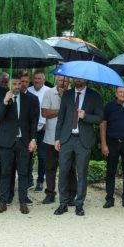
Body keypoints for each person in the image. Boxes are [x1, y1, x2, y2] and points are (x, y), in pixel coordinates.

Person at [54, 78, 104, 216]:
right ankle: (63, 203)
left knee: (81, 173)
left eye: (81, 78)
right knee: (63, 171)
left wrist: (85, 116)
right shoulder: (67, 94)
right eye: (76, 77)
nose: (78, 80)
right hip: (66, 139)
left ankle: (79, 204)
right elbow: (61, 118)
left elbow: (100, 118)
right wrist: (57, 138)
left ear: (86, 80)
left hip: (84, 141)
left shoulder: (95, 96)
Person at [0, 71, 38, 214]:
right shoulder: (2, 97)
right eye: (14, 83)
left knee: (24, 172)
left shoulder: (30, 100)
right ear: (8, 84)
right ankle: (3, 201)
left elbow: (33, 122)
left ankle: (23, 201)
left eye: (19, 83)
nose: (17, 86)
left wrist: (33, 139)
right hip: (6, 142)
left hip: (24, 142)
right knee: (5, 172)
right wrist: (6, 101)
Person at [41, 75, 76, 205]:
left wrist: (65, 99)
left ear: (69, 82)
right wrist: (61, 110)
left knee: (70, 168)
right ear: (56, 80)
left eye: (66, 81)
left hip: (68, 138)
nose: (63, 83)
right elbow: (44, 113)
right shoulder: (49, 93)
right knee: (50, 167)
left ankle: (71, 195)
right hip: (50, 137)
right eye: (61, 80)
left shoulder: (73, 95)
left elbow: (74, 114)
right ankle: (50, 194)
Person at [100, 86, 124, 209]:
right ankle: (109, 199)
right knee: (110, 172)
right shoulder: (109, 106)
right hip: (112, 143)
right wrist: (104, 144)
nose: (122, 94)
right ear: (116, 93)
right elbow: (103, 125)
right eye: (120, 92)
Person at [27, 70, 49, 192]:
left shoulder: (48, 91)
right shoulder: (28, 91)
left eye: (39, 78)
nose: (37, 80)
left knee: (42, 156)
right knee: (28, 155)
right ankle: (29, 179)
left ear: (44, 80)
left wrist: (46, 123)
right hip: (30, 129)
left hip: (43, 128)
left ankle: (40, 180)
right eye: (35, 78)